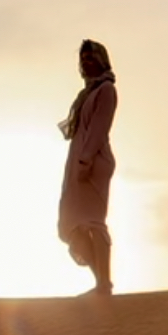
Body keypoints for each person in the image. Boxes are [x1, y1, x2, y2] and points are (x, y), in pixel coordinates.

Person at [57, 39, 117, 296]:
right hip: (78, 163)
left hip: (93, 162)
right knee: (69, 225)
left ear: (101, 59)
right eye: (83, 58)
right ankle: (100, 281)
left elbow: (99, 129)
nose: (86, 62)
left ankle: (104, 283)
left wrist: (86, 160)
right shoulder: (88, 93)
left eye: (91, 57)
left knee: (93, 222)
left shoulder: (106, 90)